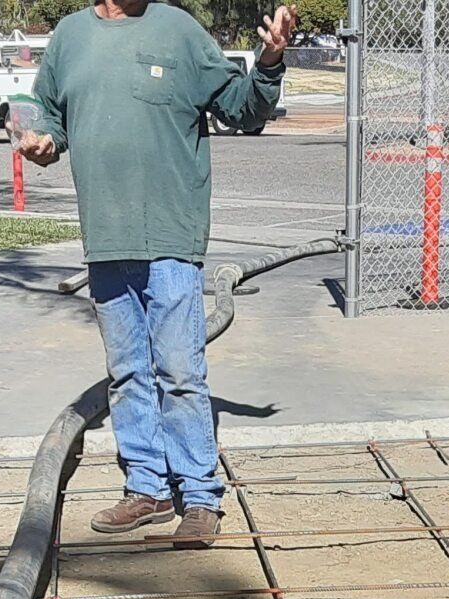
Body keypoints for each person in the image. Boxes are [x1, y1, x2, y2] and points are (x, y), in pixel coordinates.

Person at [17, 0, 297, 548]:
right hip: (105, 236)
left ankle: (199, 495)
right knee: (127, 374)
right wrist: (38, 139)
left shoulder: (179, 31)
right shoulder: (71, 36)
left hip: (171, 234)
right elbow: (44, 112)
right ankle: (146, 489)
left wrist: (268, 60)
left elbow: (243, 108)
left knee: (179, 371)